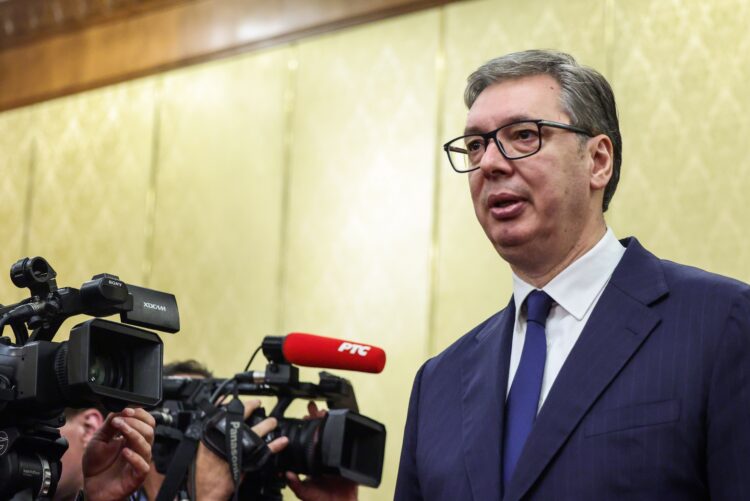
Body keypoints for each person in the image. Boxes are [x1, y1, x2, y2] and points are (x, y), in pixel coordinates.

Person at [395, 49, 750, 500]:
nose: (489, 164)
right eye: (476, 145)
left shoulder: (721, 324)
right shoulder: (438, 383)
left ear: (598, 161)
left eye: (523, 135)